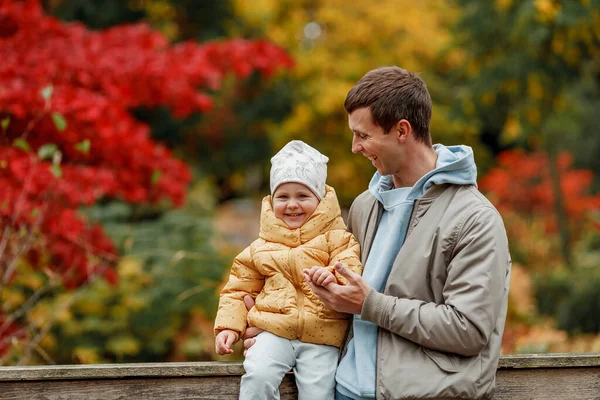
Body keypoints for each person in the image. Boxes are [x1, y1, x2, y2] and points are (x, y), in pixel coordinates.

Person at [245, 67, 512, 399]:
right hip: (342, 391)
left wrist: (371, 304)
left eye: (364, 135)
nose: (355, 147)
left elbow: (468, 330)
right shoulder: (364, 206)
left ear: (402, 130)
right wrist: (275, 326)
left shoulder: (475, 218)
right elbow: (337, 303)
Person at [214, 140, 363, 400]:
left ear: (320, 200)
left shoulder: (337, 239)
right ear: (272, 201)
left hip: (321, 337)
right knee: (258, 375)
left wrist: (332, 276)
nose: (292, 204)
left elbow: (351, 268)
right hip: (273, 331)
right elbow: (237, 290)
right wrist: (228, 328)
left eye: (302, 196)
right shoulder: (260, 247)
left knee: (319, 393)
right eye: (283, 197)